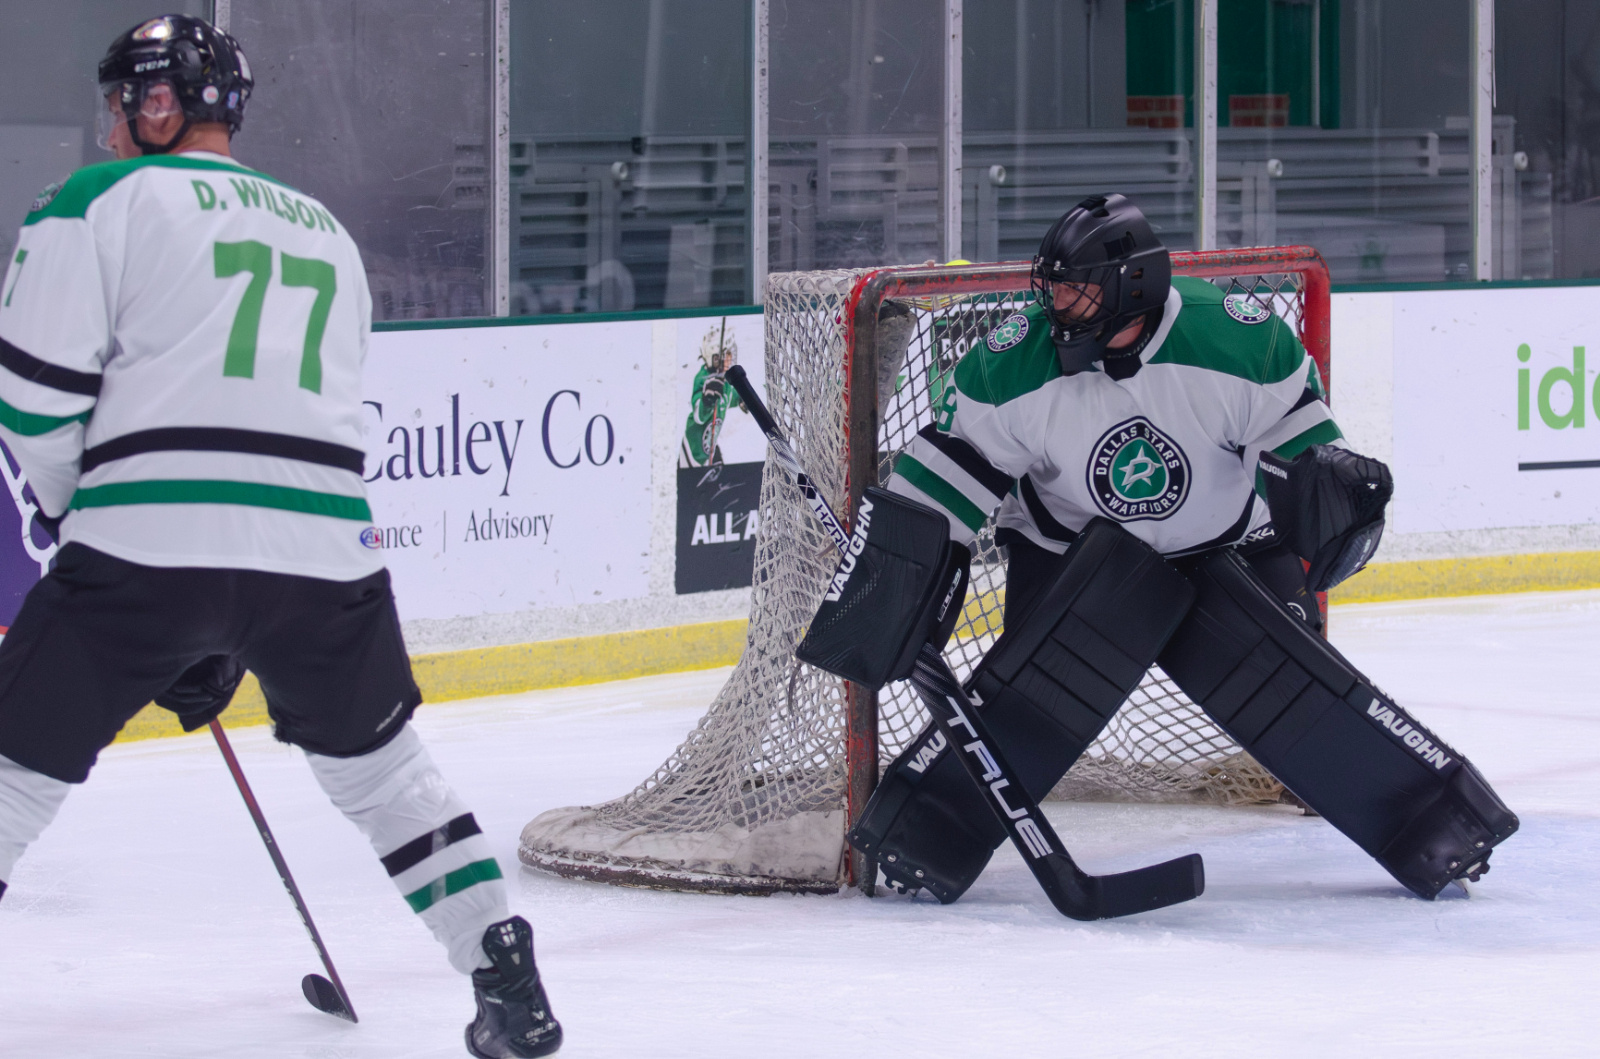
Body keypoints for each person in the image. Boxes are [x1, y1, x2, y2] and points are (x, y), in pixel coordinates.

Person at [0, 16, 560, 1057]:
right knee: (385, 774)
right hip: (325, 560)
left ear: (158, 103)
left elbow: (34, 402)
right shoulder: (328, 233)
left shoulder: (93, 202)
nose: (111, 126)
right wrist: (220, 624)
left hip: (146, 543)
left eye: (122, 102)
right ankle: (502, 964)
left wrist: (87, 522)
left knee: (11, 767)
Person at [801, 193, 1519, 905]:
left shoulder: (1236, 341)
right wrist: (895, 576)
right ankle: (916, 841)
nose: (1055, 305)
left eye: (1076, 291)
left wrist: (1331, 490)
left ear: (1132, 286)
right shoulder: (1011, 363)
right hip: (1071, 556)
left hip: (1228, 547)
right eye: (1052, 287)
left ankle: (1439, 829)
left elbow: (1299, 458)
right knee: (1023, 713)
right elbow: (946, 480)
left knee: (1304, 698)